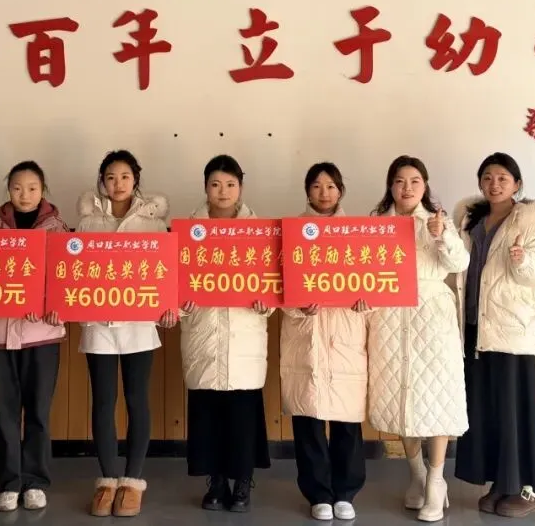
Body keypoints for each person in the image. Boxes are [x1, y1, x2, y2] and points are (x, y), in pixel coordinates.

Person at [73, 149, 177, 517]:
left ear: (136, 180)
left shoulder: (155, 225)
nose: (118, 184)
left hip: (138, 324)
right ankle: (107, 480)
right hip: (98, 324)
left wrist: (168, 308)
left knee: (136, 399)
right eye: (111, 177)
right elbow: (75, 273)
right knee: (103, 402)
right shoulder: (87, 224)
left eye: (125, 177)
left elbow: (166, 273)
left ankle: (132, 481)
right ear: (102, 182)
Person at [452, 153, 535, 517]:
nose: (494, 184)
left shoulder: (528, 223)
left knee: (516, 409)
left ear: (517, 184)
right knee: (488, 408)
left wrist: (522, 260)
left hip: (513, 330)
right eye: (487, 177)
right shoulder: (470, 222)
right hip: (475, 327)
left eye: (502, 178)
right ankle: (499, 483)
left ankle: (525, 489)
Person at [366, 155, 469, 523]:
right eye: (399, 181)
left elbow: (459, 264)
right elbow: (364, 271)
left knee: (437, 396)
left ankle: (437, 481)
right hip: (390, 317)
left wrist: (442, 236)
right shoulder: (376, 225)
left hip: (432, 316)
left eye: (414, 181)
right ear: (390, 186)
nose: (406, 188)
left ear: (425, 186)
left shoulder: (438, 221)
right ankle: (417, 474)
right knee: (400, 396)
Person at [179, 155, 272, 513]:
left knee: (242, 414)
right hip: (203, 333)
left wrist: (267, 303)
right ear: (205, 188)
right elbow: (172, 284)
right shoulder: (186, 231)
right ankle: (216, 482)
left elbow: (274, 283)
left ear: (241, 188)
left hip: (244, 336)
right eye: (215, 184)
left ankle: (243, 483)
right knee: (208, 414)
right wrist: (182, 303)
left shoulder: (260, 232)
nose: (223, 191)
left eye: (230, 184)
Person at [280, 163, 370, 523]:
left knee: (347, 418)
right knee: (309, 418)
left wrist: (366, 302)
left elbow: (377, 282)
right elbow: (276, 284)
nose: (324, 193)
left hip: (345, 335)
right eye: (317, 186)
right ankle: (318, 493)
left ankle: (346, 492)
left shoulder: (359, 233)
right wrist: (297, 306)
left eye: (331, 186)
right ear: (307, 191)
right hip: (306, 335)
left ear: (341, 191)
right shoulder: (290, 231)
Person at [0, 161, 69, 512]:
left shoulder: (59, 231)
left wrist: (50, 304)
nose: (25, 194)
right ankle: (9, 483)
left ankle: (35, 482)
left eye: (32, 188)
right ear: (9, 190)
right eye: (17, 188)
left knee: (38, 411)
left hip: (41, 335)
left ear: (42, 190)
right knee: (4, 411)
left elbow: (66, 280)